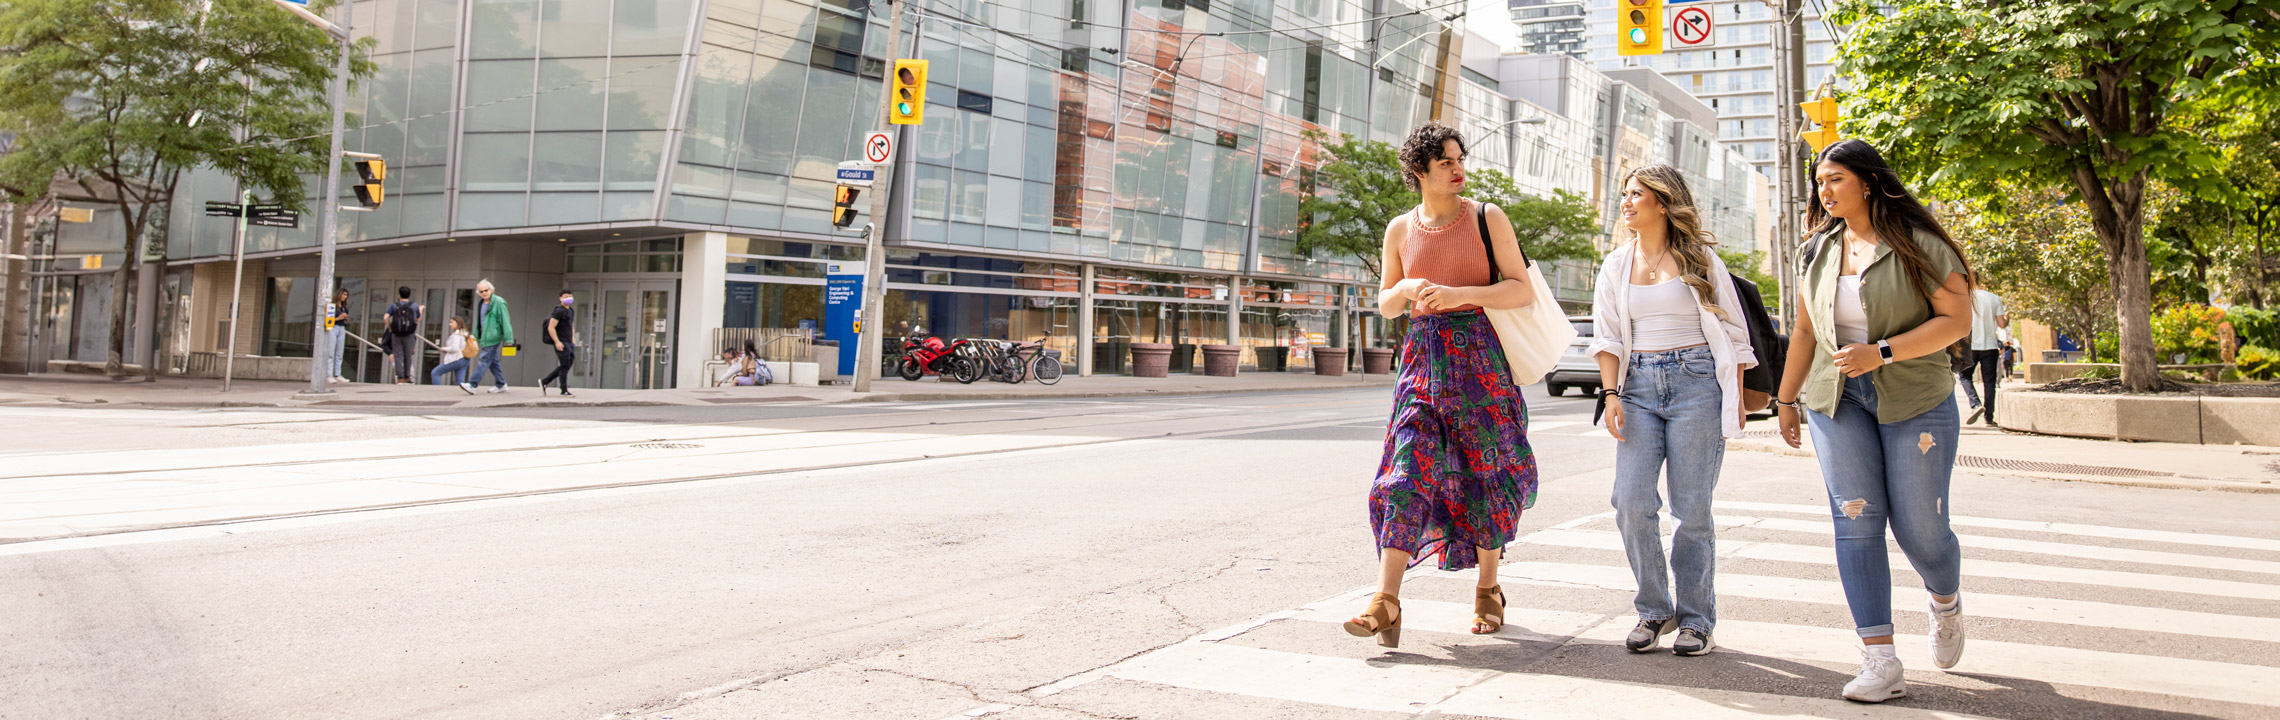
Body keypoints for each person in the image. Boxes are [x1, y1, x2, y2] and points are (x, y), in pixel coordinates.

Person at [1774, 138, 1974, 703]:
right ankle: (1880, 658)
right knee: (1855, 521)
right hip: (1836, 400)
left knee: (1920, 530)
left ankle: (1945, 600)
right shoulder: (1816, 250)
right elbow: (1807, 332)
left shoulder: (1919, 245)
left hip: (1914, 396)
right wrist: (1786, 401)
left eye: (1835, 178)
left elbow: (1956, 320)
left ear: (1867, 181)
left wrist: (1881, 353)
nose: (1824, 189)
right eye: (1819, 181)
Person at [1343, 122, 1540, 648]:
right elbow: (1386, 303)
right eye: (1447, 163)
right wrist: (1406, 287)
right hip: (1422, 361)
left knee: (1486, 471)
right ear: (1419, 173)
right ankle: (1385, 600)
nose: (1460, 170)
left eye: (1461, 159)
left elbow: (1520, 291)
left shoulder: (1485, 217)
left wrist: (1459, 294)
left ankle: (1488, 588)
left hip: (1479, 355)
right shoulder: (1400, 230)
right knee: (1403, 473)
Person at [1589, 164, 1756, 657]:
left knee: (1692, 510)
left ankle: (1696, 620)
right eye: (1624, 194)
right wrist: (1612, 394)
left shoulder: (1700, 259)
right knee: (1631, 501)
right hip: (1637, 385)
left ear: (1662, 202)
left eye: (1635, 194)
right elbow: (1608, 336)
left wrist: (1737, 396)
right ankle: (1654, 608)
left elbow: (1735, 331)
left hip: (1698, 382)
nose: (1626, 201)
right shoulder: (1616, 264)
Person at [1958, 279, 2008, 425]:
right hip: (1990, 346)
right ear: (1981, 282)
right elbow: (2002, 324)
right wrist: (2007, 317)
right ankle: (1989, 418)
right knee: (1989, 382)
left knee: (1965, 376)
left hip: (1970, 345)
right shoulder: (1993, 298)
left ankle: (1975, 404)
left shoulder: (1965, 297)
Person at [462, 280, 513, 394]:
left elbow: (505, 320)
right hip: (485, 336)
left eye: (486, 290)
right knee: (492, 361)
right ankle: (501, 383)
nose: (484, 293)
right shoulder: (481, 303)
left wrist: (509, 338)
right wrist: (476, 335)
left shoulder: (499, 302)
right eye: (481, 291)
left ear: (491, 290)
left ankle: (472, 384)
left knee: (484, 360)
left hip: (493, 336)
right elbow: (480, 321)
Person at [538, 290, 577, 397]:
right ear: (560, 298)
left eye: (570, 296)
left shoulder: (571, 310)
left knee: (568, 364)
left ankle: (545, 381)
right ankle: (563, 389)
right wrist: (557, 342)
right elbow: (551, 327)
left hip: (569, 341)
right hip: (561, 341)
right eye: (566, 296)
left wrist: (573, 338)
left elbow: (571, 325)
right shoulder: (558, 311)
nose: (568, 298)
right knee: (564, 365)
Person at [383, 287, 422, 385]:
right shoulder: (414, 306)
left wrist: (390, 328)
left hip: (396, 334)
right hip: (409, 334)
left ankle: (400, 378)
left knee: (398, 355)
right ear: (409, 295)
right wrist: (420, 310)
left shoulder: (394, 306)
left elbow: (385, 317)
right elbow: (417, 319)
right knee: (408, 356)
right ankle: (407, 377)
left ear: (399, 295)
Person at [430, 316, 474, 392]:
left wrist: (445, 349)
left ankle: (436, 391)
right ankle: (460, 395)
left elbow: (455, 348)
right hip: (464, 359)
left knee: (435, 373)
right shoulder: (464, 334)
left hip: (456, 359)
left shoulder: (457, 335)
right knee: (460, 381)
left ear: (458, 323)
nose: (450, 324)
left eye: (452, 322)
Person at [326, 290, 350, 383]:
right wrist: (339, 318)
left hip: (342, 327)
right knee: (331, 351)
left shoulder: (344, 307)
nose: (345, 297)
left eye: (346, 295)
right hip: (333, 327)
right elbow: (328, 319)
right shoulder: (332, 306)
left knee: (339, 351)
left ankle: (338, 374)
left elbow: (346, 318)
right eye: (344, 294)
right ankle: (329, 374)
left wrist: (345, 318)